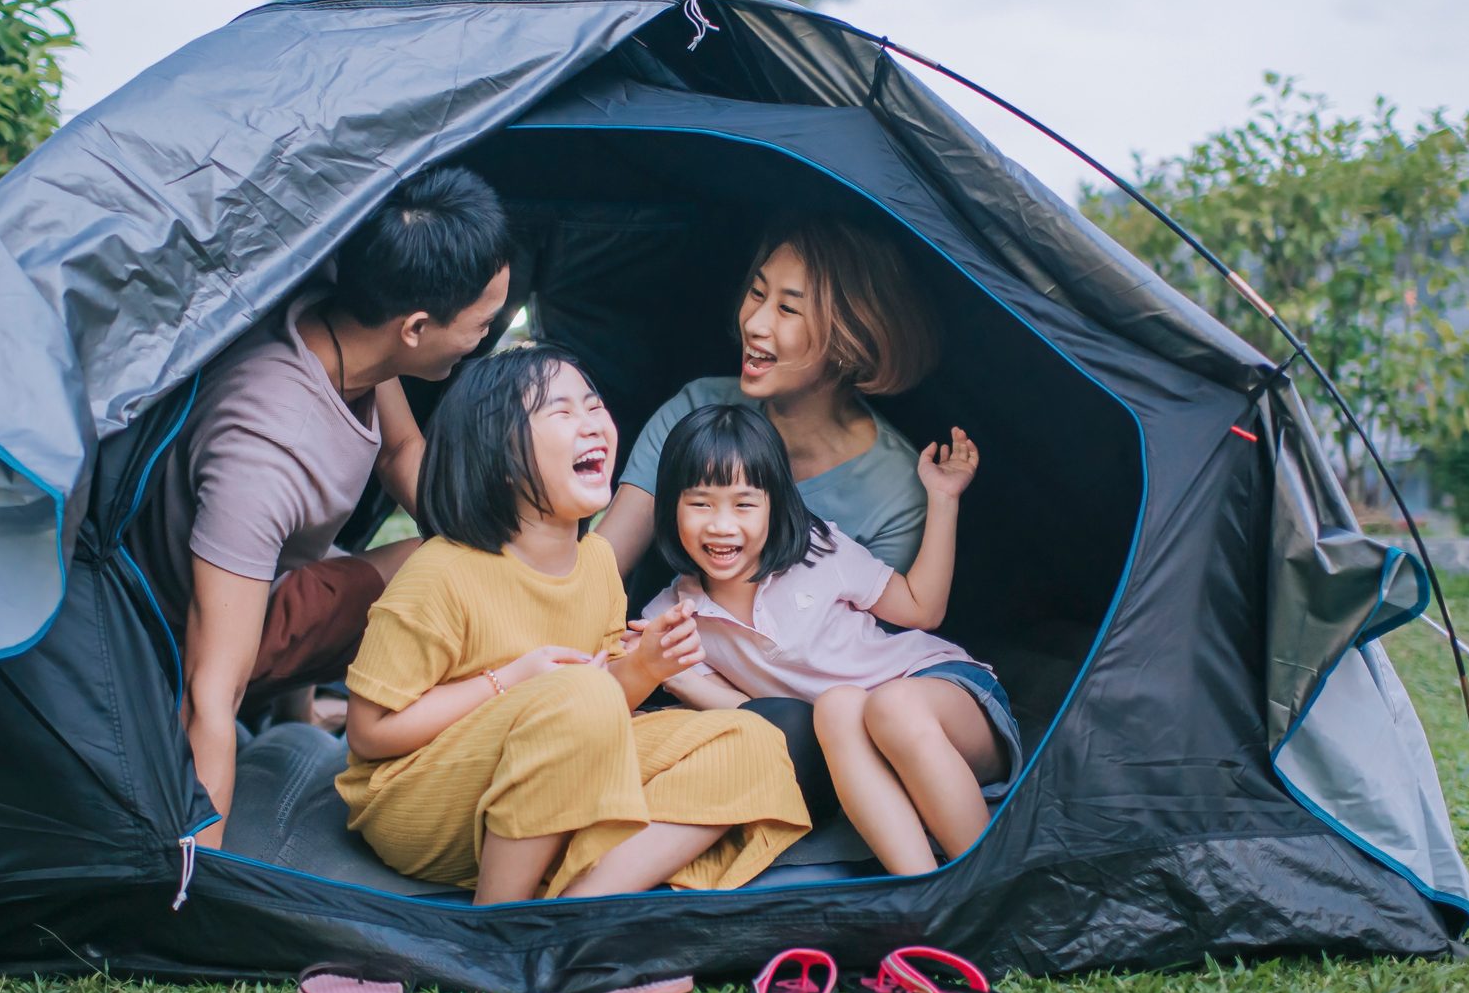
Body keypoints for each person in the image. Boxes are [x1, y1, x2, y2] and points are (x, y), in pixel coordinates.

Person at [125, 166, 513, 849]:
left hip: (267, 574)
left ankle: (297, 720)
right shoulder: (265, 451)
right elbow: (210, 692)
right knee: (432, 572)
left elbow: (400, 452)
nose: (485, 339)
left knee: (459, 559)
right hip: (183, 626)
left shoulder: (343, 321)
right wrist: (205, 880)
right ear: (417, 328)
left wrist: (503, 564)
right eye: (481, 325)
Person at [337, 347, 810, 903]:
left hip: (547, 781)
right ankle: (501, 924)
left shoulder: (598, 565)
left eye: (594, 405)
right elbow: (369, 735)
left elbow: (600, 708)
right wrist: (510, 680)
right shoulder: (441, 572)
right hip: (423, 803)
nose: (592, 425)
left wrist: (644, 666)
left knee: (752, 739)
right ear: (504, 456)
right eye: (561, 413)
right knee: (576, 693)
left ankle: (579, 907)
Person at [594, 216, 940, 820]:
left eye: (788, 308)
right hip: (678, 686)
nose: (754, 323)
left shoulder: (896, 488)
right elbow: (601, 566)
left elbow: (859, 672)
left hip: (817, 732)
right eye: (757, 294)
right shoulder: (696, 411)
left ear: (848, 336)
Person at [642, 404, 1017, 876]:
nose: (721, 525)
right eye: (700, 503)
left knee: (889, 704)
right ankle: (925, 891)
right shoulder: (673, 618)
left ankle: (988, 881)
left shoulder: (818, 552)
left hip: (943, 703)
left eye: (744, 503)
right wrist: (672, 676)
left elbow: (923, 608)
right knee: (837, 707)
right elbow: (757, 722)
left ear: (774, 503)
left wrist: (944, 499)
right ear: (671, 506)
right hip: (861, 751)